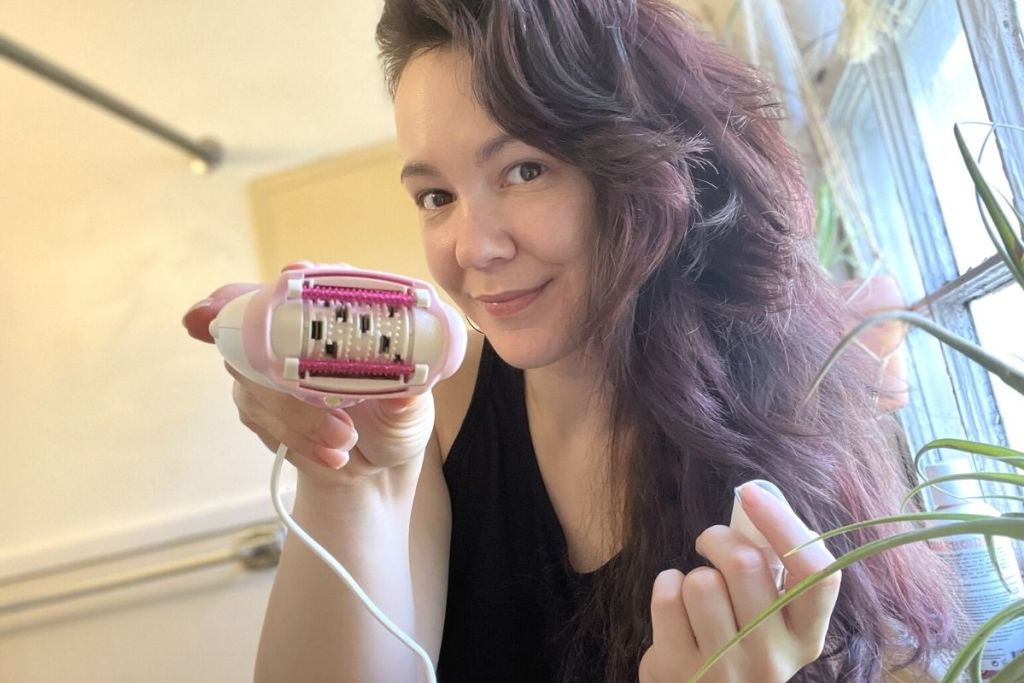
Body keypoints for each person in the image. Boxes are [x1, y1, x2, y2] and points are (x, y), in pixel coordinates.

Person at [183, 1, 956, 681]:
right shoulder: (432, 416)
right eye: (435, 196)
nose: (472, 246)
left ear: (643, 165)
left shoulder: (807, 412)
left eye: (524, 170)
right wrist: (347, 483)